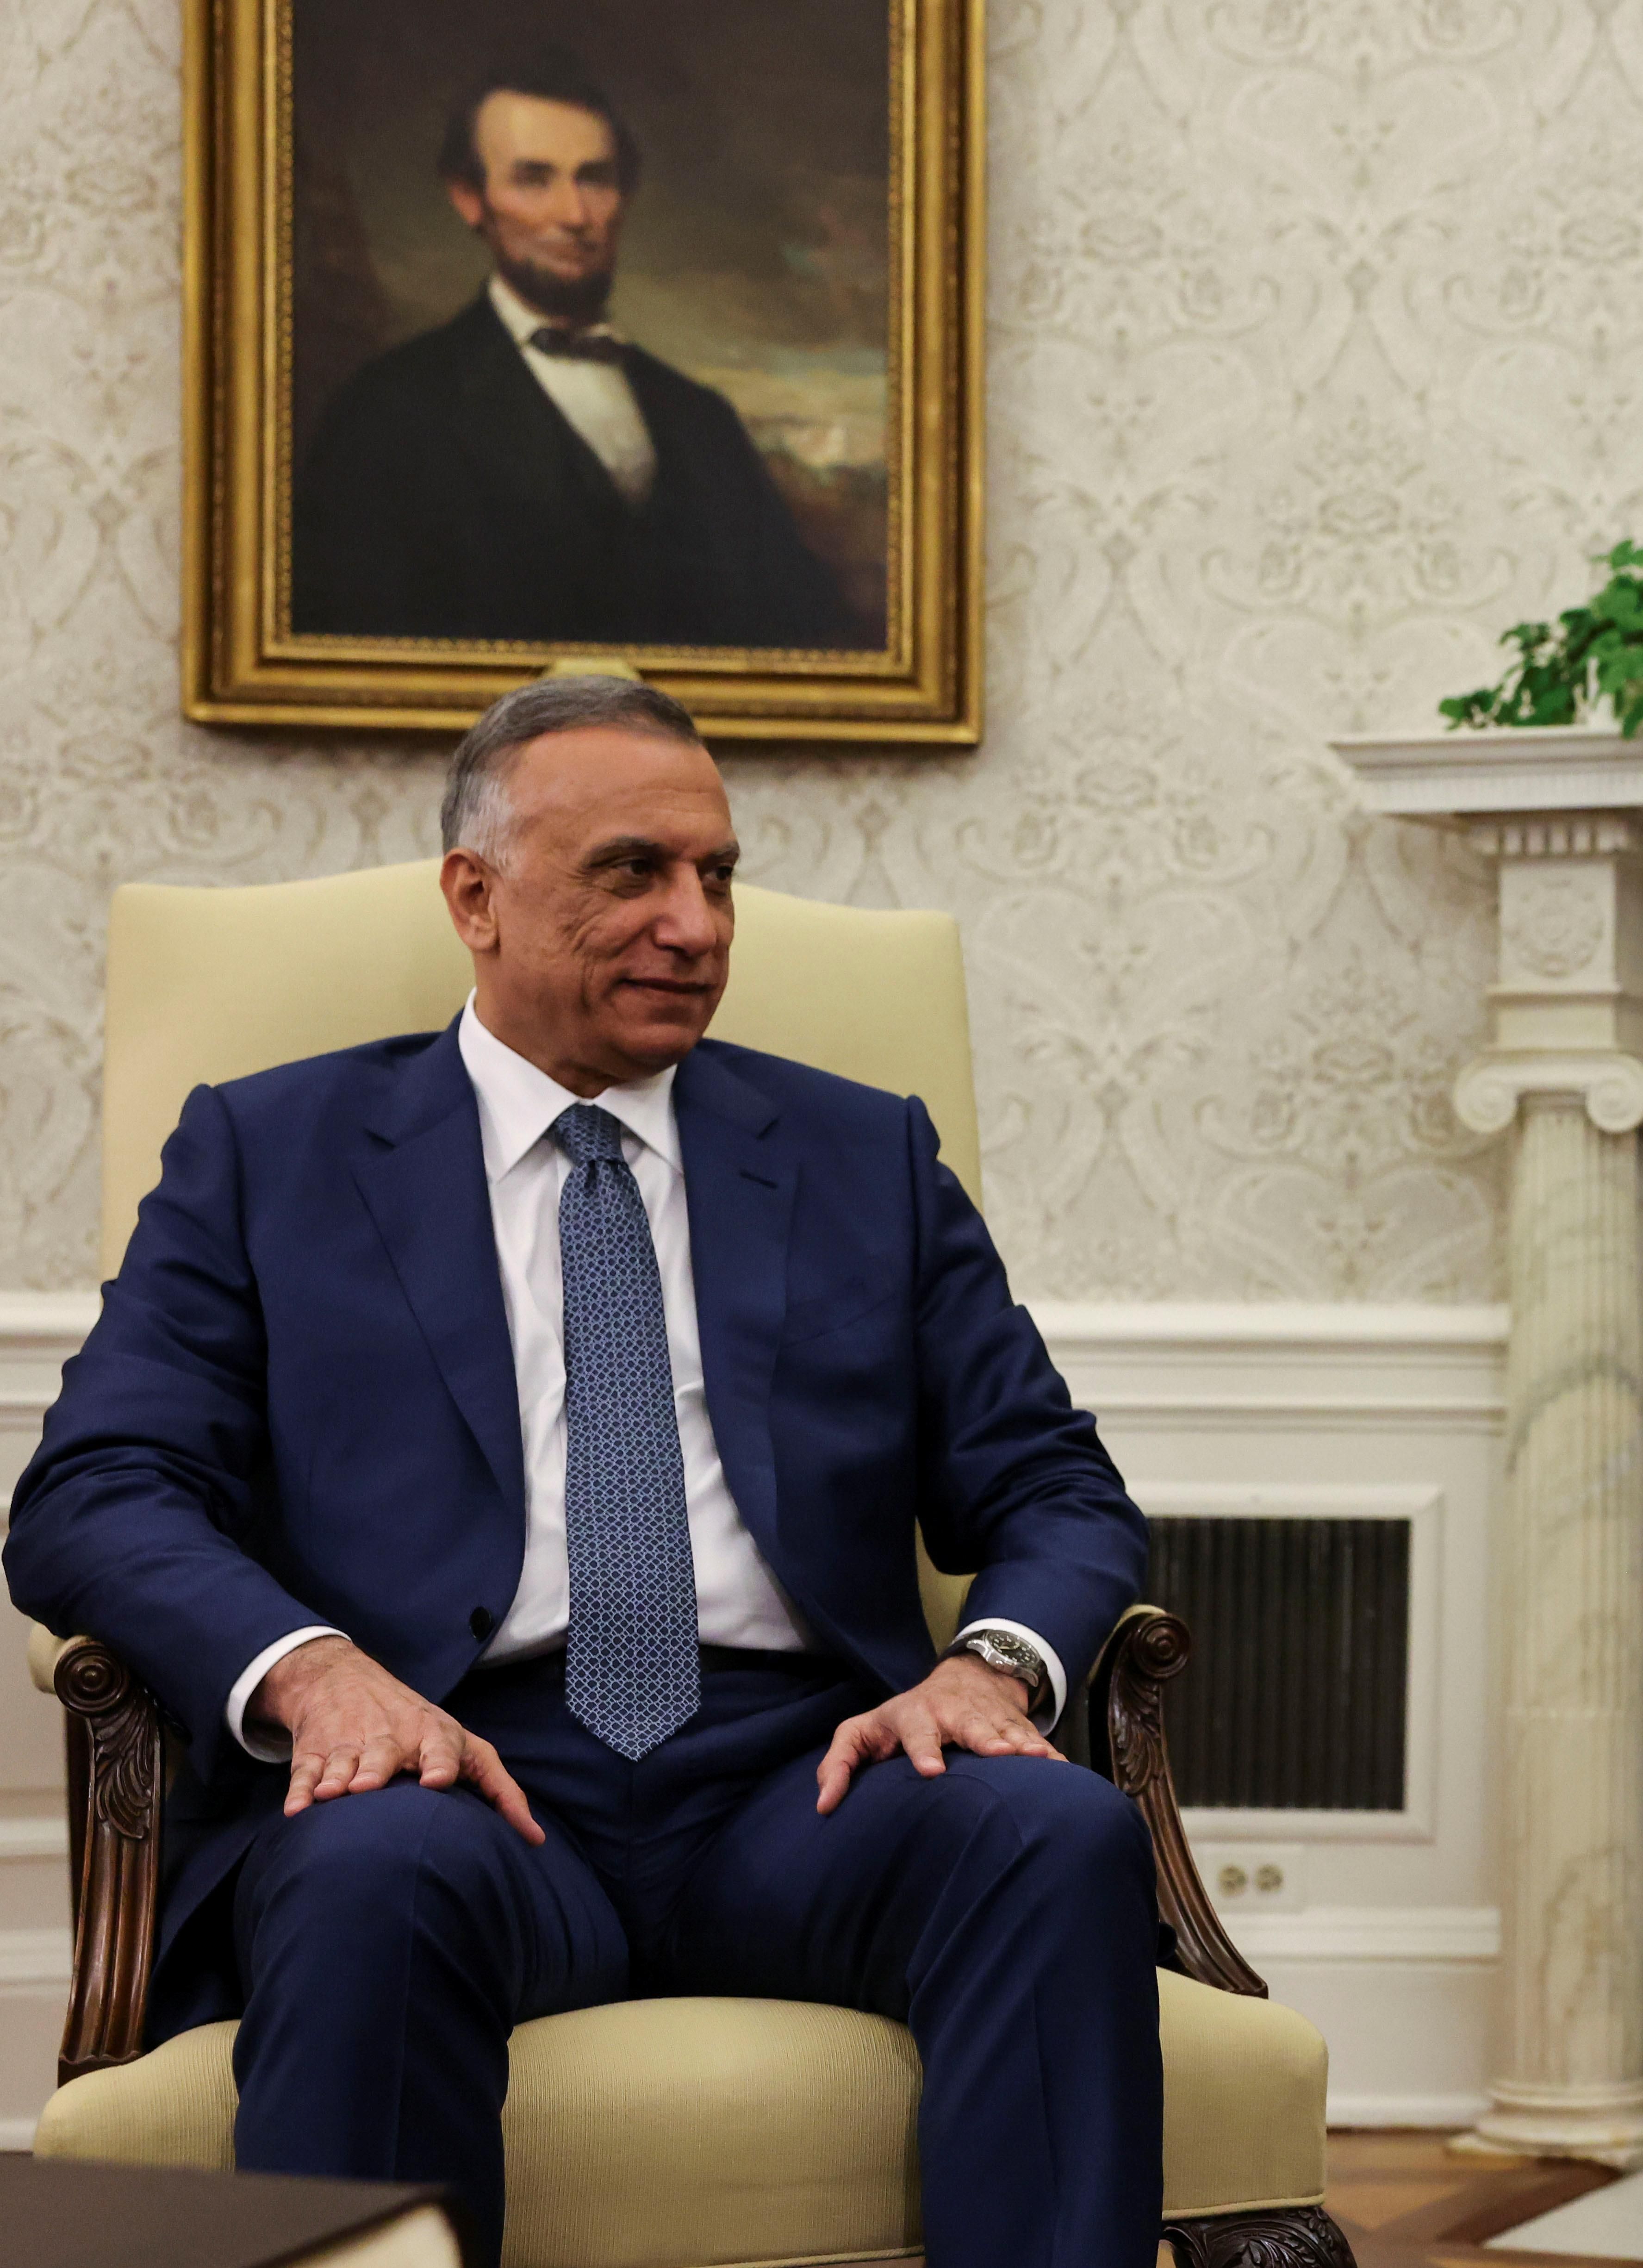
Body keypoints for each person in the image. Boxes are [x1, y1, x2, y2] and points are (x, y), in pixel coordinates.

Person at [6, 678, 1153, 2262]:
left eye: (719, 876)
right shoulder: (273, 1155)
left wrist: (993, 1663)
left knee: (1052, 1830)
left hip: (797, 1783)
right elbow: (94, 1491)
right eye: (633, 872)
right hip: (450, 1764)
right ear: (473, 897)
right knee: (371, 1870)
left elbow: (1053, 1484)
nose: (696, 924)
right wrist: (316, 1675)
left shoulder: (857, 1156)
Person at [292, 51, 863, 650]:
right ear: (469, 199)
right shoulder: (388, 412)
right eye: (534, 179)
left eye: (595, 178)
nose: (575, 215)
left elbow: (807, 642)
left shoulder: (702, 420)